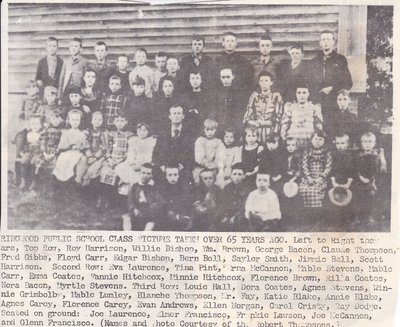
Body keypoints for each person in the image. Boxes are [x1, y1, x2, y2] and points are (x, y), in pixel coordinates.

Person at [310, 30, 352, 131]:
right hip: (318, 102)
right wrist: (315, 97)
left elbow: (348, 82)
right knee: (318, 130)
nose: (326, 42)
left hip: (334, 103)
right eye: (323, 39)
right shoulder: (314, 61)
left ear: (333, 41)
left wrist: (332, 88)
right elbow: (310, 83)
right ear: (320, 42)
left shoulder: (340, 59)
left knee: (332, 130)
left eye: (328, 39)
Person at [153, 105, 196, 182]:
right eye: (174, 113)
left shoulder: (189, 132)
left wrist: (183, 165)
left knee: (186, 178)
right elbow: (157, 151)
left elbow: (191, 153)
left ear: (183, 116)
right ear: (170, 116)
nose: (176, 116)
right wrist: (162, 165)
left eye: (179, 113)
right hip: (165, 166)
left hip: (182, 167)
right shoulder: (163, 132)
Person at [299, 131, 332, 220]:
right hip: (309, 176)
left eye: (320, 139)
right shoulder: (308, 151)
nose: (318, 141)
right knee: (303, 189)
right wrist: (308, 176)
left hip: (321, 177)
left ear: (324, 141)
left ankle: (316, 215)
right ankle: (307, 214)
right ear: (312, 140)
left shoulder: (326, 152)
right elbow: (304, 164)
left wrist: (321, 177)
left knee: (315, 190)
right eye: (316, 139)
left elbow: (328, 166)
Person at [354, 132, 385, 224]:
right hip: (360, 180)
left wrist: (372, 180)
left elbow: (377, 170)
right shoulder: (358, 156)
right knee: (357, 194)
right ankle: (357, 217)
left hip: (372, 180)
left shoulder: (376, 156)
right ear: (361, 143)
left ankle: (371, 216)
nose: (367, 144)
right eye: (365, 142)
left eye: (370, 142)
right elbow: (356, 168)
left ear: (374, 144)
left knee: (372, 195)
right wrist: (360, 177)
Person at [122, 163, 164, 231]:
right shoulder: (135, 186)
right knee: (126, 218)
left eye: (148, 173)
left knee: (151, 222)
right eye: (143, 173)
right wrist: (134, 208)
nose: (145, 175)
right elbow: (130, 199)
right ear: (139, 173)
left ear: (152, 175)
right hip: (137, 209)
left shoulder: (154, 187)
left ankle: (145, 234)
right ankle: (127, 234)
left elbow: (158, 201)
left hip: (149, 211)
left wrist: (150, 210)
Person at [243, 71, 283, 143]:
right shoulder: (254, 97)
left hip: (271, 132)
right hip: (256, 133)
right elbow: (247, 117)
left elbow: (278, 117)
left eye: (266, 81)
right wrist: (256, 123)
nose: (264, 83)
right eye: (261, 81)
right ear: (259, 83)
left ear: (271, 82)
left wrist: (272, 131)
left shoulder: (276, 97)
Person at [280, 83, 323, 148]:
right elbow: (284, 126)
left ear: (308, 94)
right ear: (296, 94)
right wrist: (286, 140)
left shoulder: (314, 108)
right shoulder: (290, 107)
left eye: (304, 93)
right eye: (299, 93)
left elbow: (319, 127)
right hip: (293, 140)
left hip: (309, 139)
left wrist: (316, 140)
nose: (301, 95)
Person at [52, 109, 89, 184]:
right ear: (69, 120)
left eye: (77, 120)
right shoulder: (66, 133)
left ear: (80, 121)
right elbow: (62, 146)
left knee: (82, 159)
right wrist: (63, 149)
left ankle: (77, 180)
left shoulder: (83, 133)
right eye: (73, 120)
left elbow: (85, 146)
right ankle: (62, 181)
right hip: (67, 152)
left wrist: (87, 153)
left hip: (77, 153)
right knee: (62, 159)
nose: (75, 122)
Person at [115, 122, 157, 186]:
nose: (141, 132)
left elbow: (149, 155)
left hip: (145, 162)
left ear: (148, 131)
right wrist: (132, 163)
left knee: (142, 175)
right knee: (127, 171)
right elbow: (131, 153)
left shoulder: (151, 141)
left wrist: (142, 165)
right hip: (134, 162)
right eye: (139, 130)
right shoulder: (133, 140)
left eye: (144, 130)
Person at [157, 164, 193, 231]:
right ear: (165, 176)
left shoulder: (182, 186)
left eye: (175, 175)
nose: (173, 177)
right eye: (170, 175)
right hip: (168, 212)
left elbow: (186, 199)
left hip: (179, 210)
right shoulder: (163, 187)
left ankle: (182, 219)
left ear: (179, 175)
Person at [213, 67, 247, 131]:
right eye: (223, 77)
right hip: (219, 125)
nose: (225, 80)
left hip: (234, 125)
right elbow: (214, 108)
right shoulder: (217, 92)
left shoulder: (239, 92)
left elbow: (240, 111)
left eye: (228, 77)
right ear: (220, 78)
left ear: (233, 77)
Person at [220, 163, 252, 231]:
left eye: (239, 174)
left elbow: (245, 206)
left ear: (244, 176)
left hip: (241, 215)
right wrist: (225, 216)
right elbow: (223, 203)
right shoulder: (227, 188)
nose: (237, 177)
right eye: (234, 174)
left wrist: (236, 216)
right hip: (228, 214)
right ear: (231, 175)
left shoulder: (248, 189)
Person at [193, 119, 225, 184]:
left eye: (212, 130)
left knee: (219, 179)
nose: (210, 132)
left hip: (215, 167)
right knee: (199, 179)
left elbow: (220, 156)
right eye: (207, 130)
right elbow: (199, 157)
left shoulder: (218, 142)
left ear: (215, 130)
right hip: (201, 167)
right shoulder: (200, 140)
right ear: (204, 130)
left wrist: (215, 165)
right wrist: (207, 164)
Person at [80, 111, 107, 187]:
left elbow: (103, 147)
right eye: (95, 119)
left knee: (93, 170)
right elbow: (86, 145)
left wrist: (95, 157)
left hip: (99, 156)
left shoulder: (104, 133)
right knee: (82, 165)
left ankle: (90, 189)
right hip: (89, 155)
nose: (97, 122)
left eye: (99, 120)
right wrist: (89, 156)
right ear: (91, 121)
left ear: (102, 121)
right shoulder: (87, 132)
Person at [17, 115, 44, 190]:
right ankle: (24, 180)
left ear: (40, 124)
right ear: (30, 125)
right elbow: (26, 144)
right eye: (33, 124)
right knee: (24, 160)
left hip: (38, 152)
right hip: (29, 151)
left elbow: (43, 144)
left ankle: (33, 181)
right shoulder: (28, 134)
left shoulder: (42, 133)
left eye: (37, 124)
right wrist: (23, 152)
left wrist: (41, 150)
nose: (35, 126)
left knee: (33, 162)